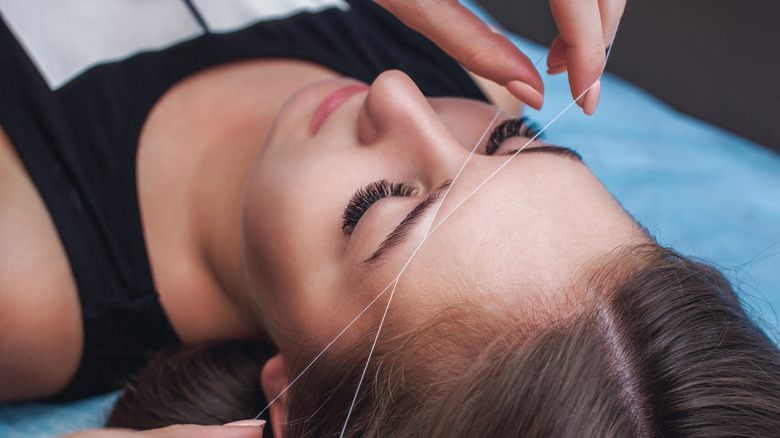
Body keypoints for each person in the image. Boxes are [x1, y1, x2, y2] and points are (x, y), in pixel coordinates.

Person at [3, 1, 779, 437]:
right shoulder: (471, 68)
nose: (397, 94)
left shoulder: (24, 286)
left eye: (379, 207)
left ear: (294, 405)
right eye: (511, 143)